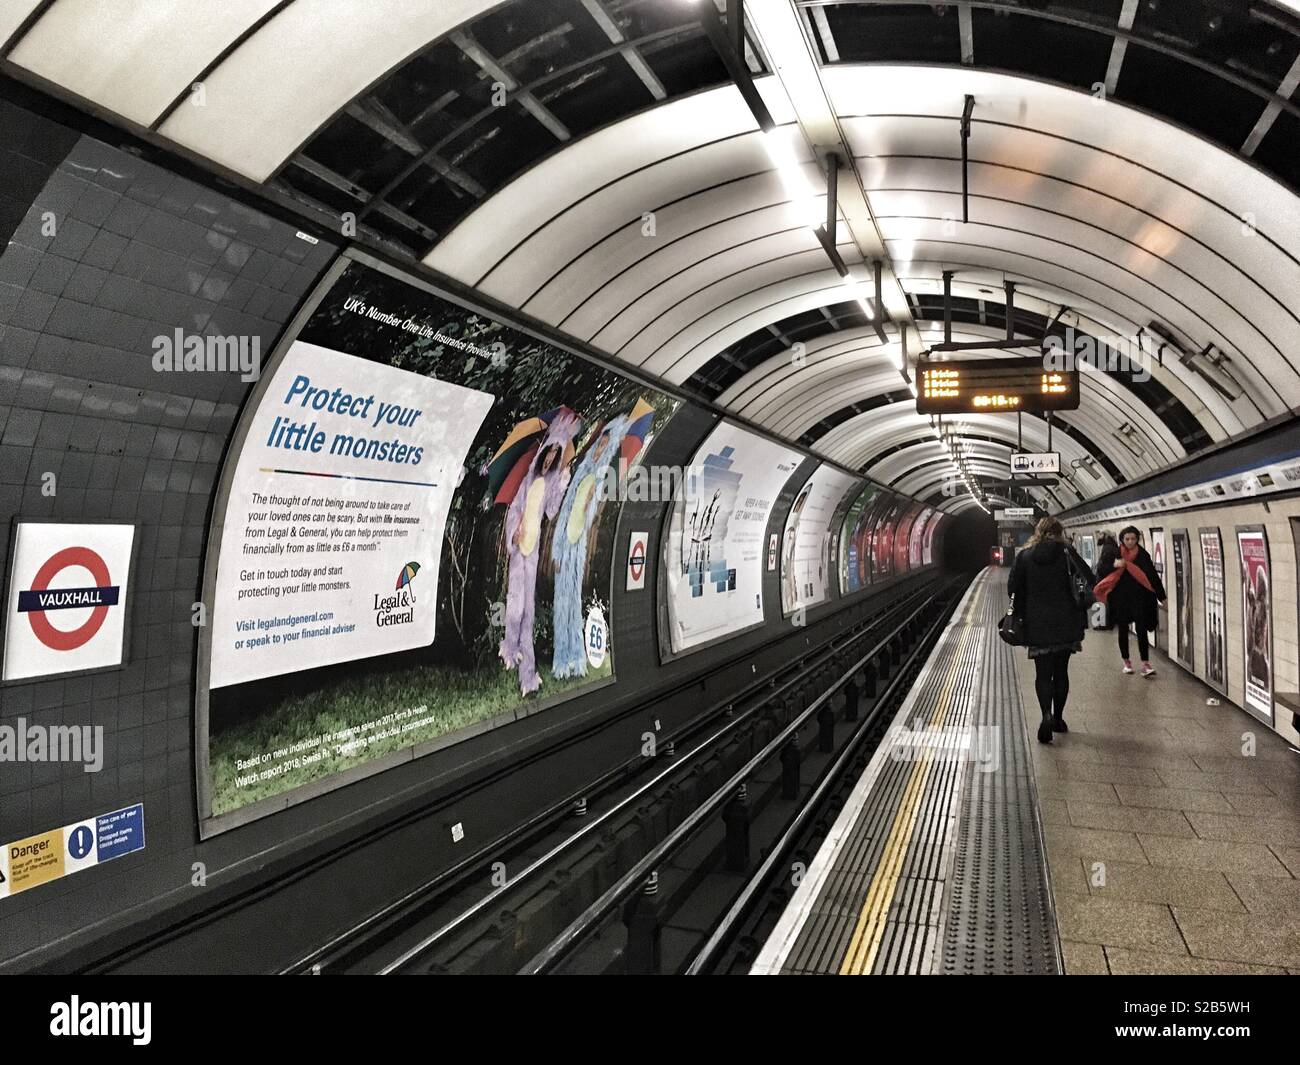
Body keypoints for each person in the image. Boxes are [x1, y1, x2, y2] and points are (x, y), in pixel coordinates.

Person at [1007, 516, 1095, 744]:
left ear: (1038, 531)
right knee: (1061, 671)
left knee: (1043, 674)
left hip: (1036, 624)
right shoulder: (1068, 554)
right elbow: (1089, 579)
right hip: (1066, 622)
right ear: (1060, 531)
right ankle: (1058, 719)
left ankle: (1045, 713)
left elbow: (1012, 588)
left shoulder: (1025, 556)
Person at [1093, 525, 1166, 677]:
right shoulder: (1114, 553)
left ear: (1137, 539)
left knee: (1141, 629)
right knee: (1123, 629)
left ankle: (1145, 663)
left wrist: (1162, 596)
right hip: (1120, 598)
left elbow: (1152, 576)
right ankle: (1127, 662)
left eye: (1133, 539)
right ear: (1122, 539)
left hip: (1140, 598)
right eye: (1127, 539)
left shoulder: (1143, 555)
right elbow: (1101, 569)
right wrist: (1114, 565)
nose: (1130, 542)